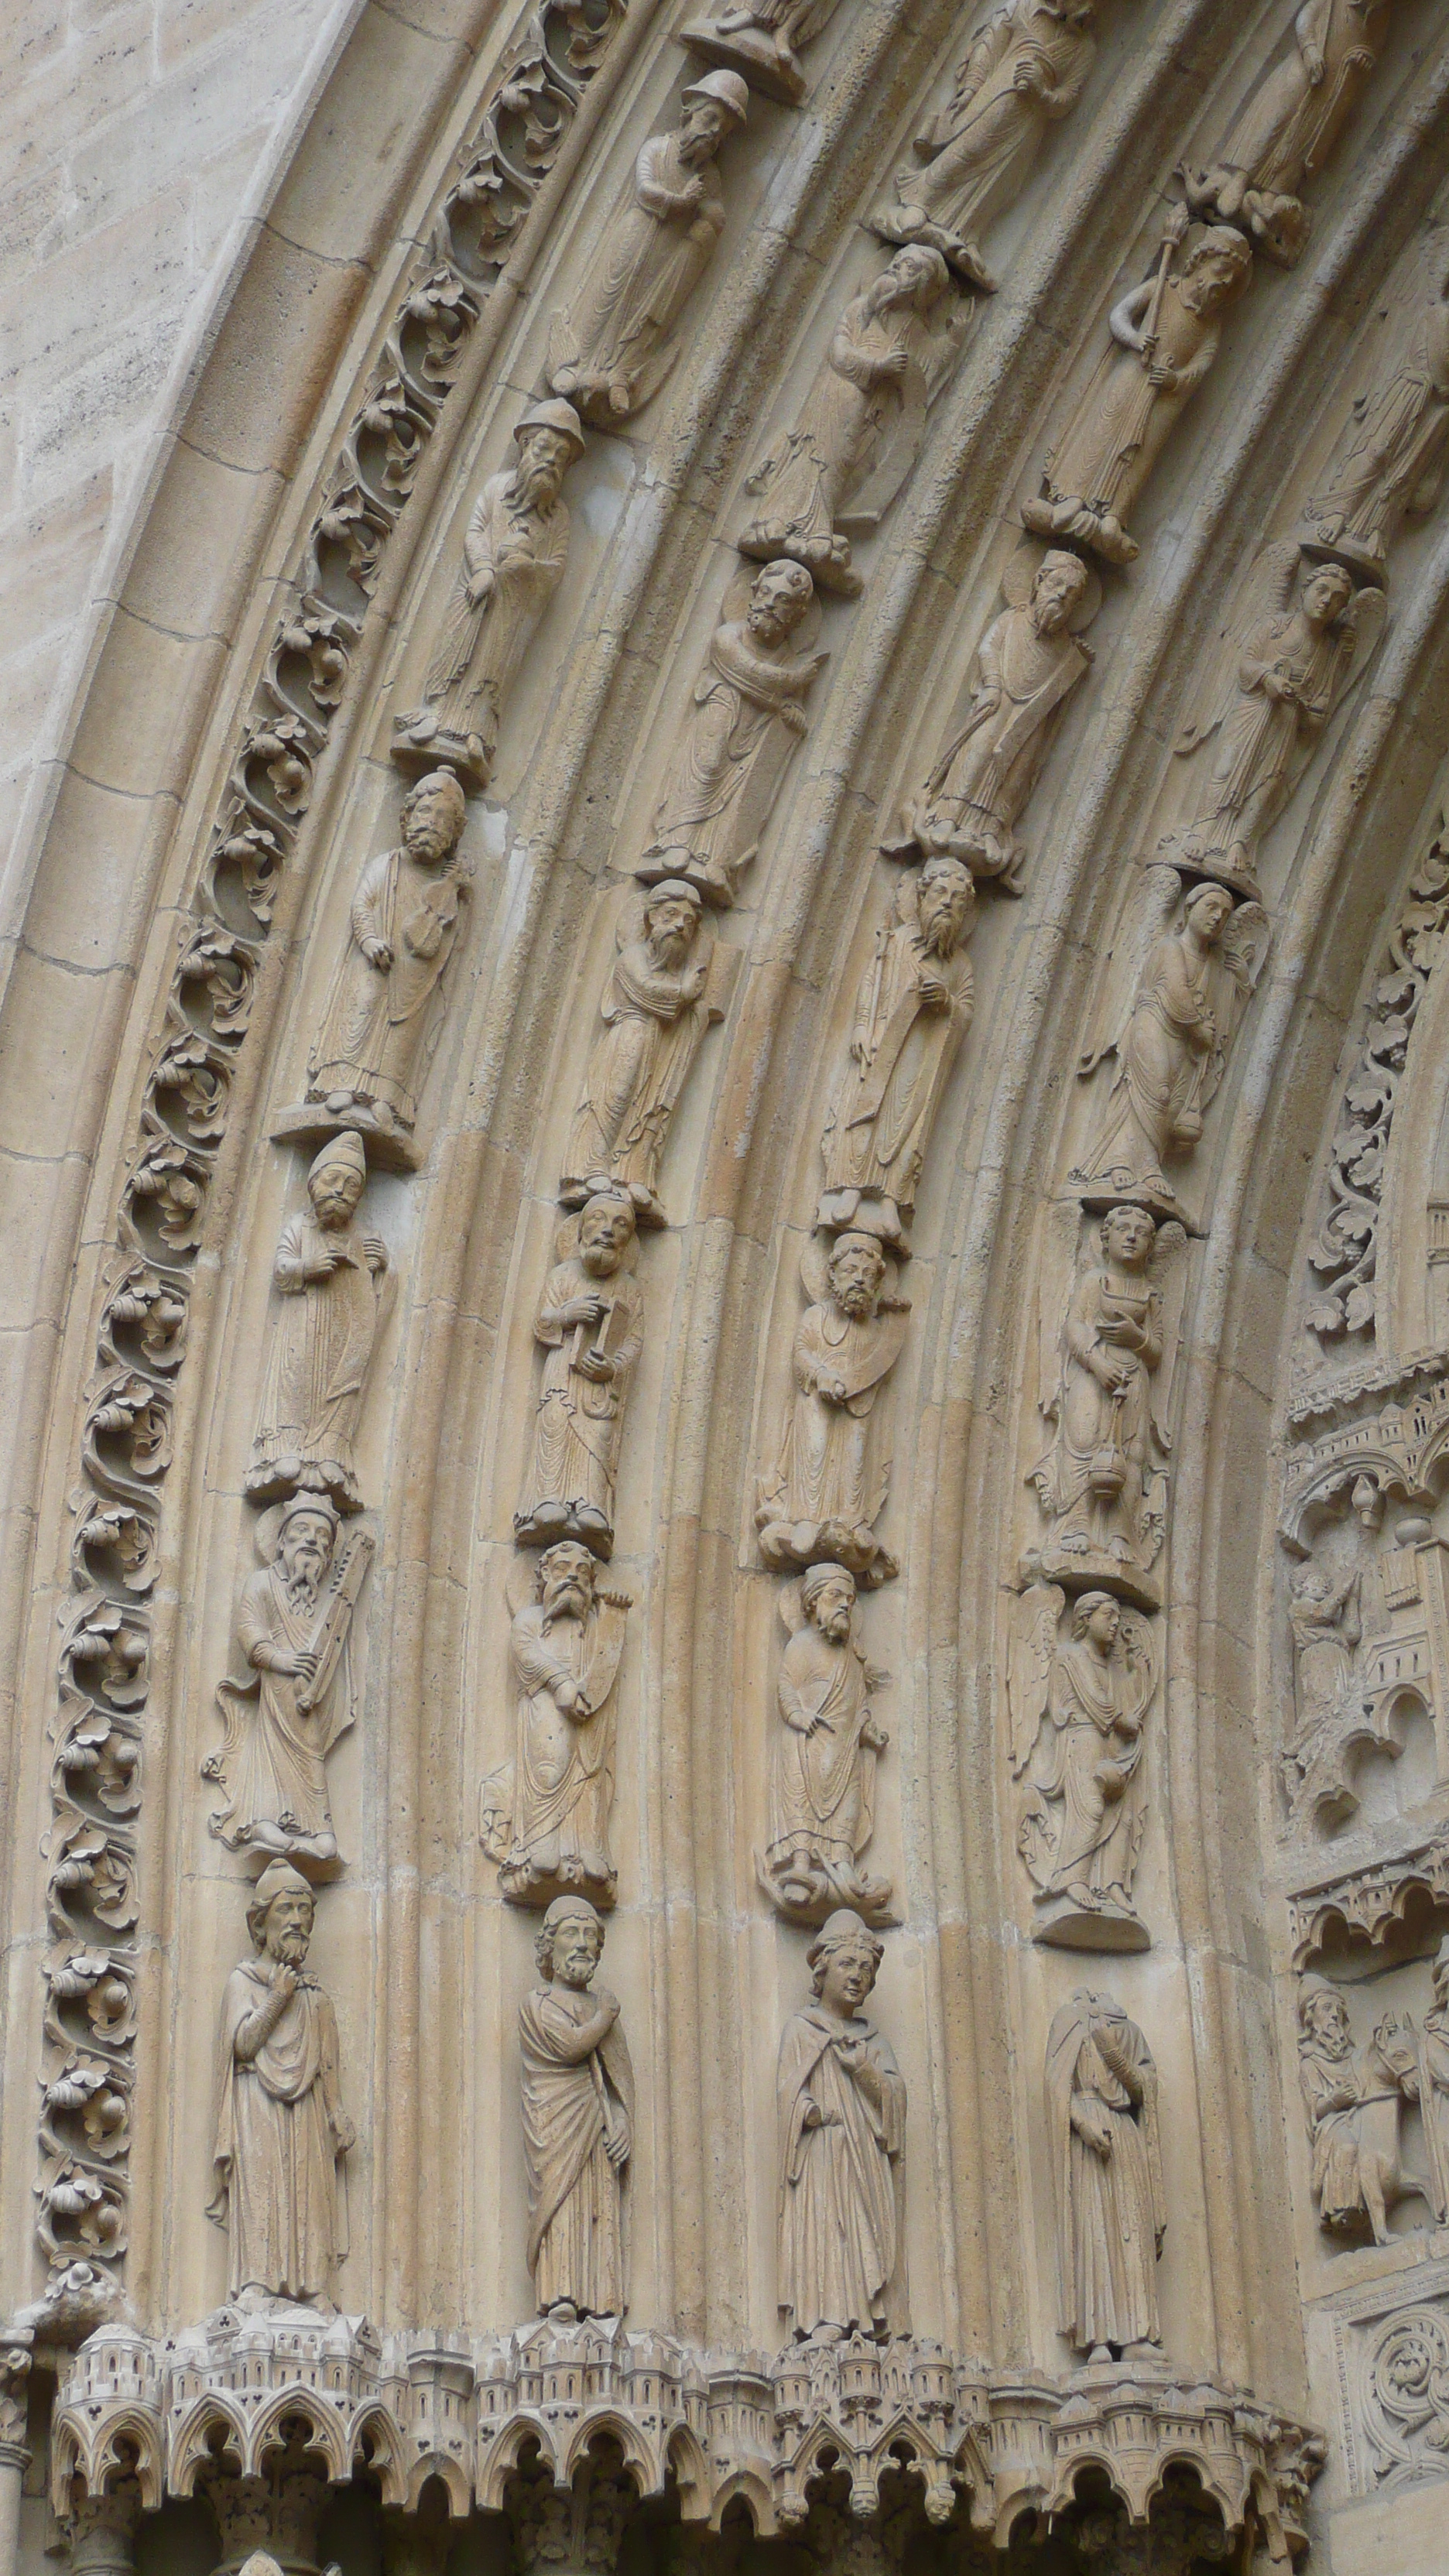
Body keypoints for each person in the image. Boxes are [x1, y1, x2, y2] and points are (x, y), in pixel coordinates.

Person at [208, 1862, 353, 2308]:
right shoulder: (244, 1982)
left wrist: (336, 2112)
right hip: (257, 2103)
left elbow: (328, 2064)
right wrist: (277, 1997)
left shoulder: (315, 1996)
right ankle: (258, 2281)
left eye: (304, 1911)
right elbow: (244, 2044)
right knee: (263, 2188)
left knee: (308, 2190)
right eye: (286, 1909)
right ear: (260, 1921)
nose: (296, 1920)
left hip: (306, 2109)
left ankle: (313, 2285)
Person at [776, 1909, 907, 2341]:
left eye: (866, 1969)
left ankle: (869, 2321)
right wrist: (810, 2111)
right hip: (823, 2154)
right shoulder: (802, 2029)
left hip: (865, 2159)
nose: (857, 1976)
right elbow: (789, 2092)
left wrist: (863, 2071)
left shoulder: (874, 2042)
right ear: (823, 1967)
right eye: (848, 1964)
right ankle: (828, 2317)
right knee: (826, 2227)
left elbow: (895, 2102)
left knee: (863, 2231)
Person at [247, 1131, 387, 1510]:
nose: (340, 1190)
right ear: (313, 1183)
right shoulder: (299, 1227)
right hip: (305, 1323)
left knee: (343, 1383)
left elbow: (373, 1294)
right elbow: (281, 1269)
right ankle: (285, 1447)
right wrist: (307, 1268)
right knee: (296, 1378)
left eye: (351, 1185)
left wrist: (378, 1268)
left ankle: (330, 1449)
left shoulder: (363, 1236)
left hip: (346, 1328)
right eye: (332, 1180)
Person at [519, 1895, 633, 2318]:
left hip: (596, 2127)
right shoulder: (538, 2003)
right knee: (563, 2202)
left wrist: (622, 2118)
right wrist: (605, 2017)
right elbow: (569, 2047)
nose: (582, 1944)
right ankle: (561, 2292)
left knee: (598, 2201)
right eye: (571, 1933)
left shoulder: (599, 2010)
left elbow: (617, 2080)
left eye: (590, 1935)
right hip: (554, 2123)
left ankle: (601, 2294)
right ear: (550, 1946)